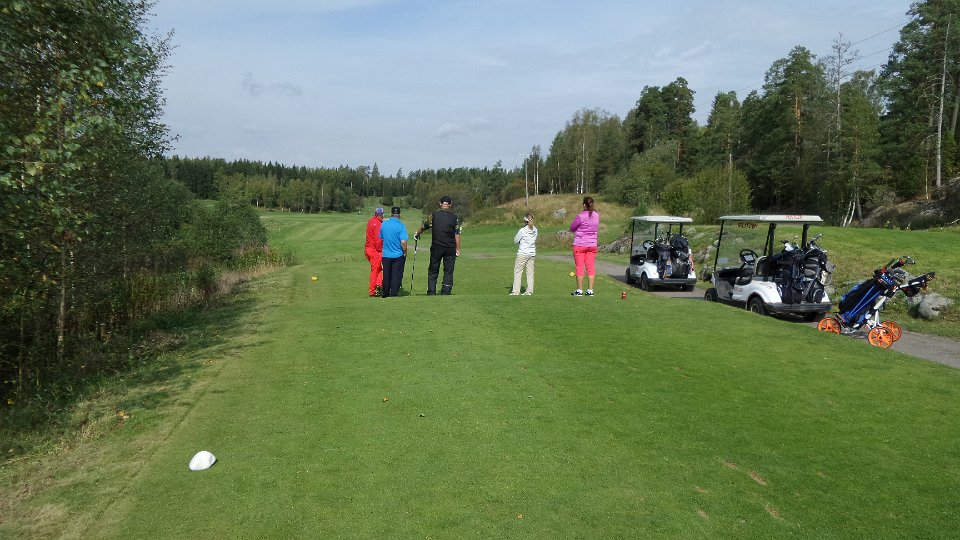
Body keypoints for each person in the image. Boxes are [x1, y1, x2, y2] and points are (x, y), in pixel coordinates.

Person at [415, 195, 461, 295]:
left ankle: (431, 291)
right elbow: (457, 235)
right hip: (450, 248)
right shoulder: (454, 218)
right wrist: (458, 249)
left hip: (437, 247)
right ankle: (446, 291)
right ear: (450, 205)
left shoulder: (434, 215)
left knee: (433, 269)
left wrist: (417, 233)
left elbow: (424, 226)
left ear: (440, 204)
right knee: (448, 270)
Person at [570, 196, 600, 296]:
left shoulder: (580, 216)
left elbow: (572, 228)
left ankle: (579, 290)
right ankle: (590, 290)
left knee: (580, 267)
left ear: (584, 205)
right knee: (590, 267)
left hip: (580, 244)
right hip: (592, 245)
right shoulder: (596, 215)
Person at [378, 207, 408, 298]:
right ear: (399, 215)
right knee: (396, 275)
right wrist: (405, 252)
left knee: (386, 274)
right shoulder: (401, 226)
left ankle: (385, 293)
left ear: (391, 214)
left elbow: (381, 237)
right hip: (398, 255)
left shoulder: (384, 224)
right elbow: (403, 242)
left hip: (386, 254)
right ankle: (394, 293)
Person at [510, 213, 537, 296]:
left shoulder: (522, 230)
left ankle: (516, 291)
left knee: (518, 272)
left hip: (522, 254)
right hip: (531, 254)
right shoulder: (535, 230)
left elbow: (515, 240)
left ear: (525, 221)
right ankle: (529, 291)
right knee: (530, 273)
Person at [364, 207, 384, 297]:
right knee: (375, 270)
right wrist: (380, 250)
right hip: (374, 250)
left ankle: (378, 285)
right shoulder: (378, 224)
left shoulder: (370, 221)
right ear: (380, 215)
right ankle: (372, 291)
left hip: (367, 249)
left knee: (379, 269)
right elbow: (377, 240)